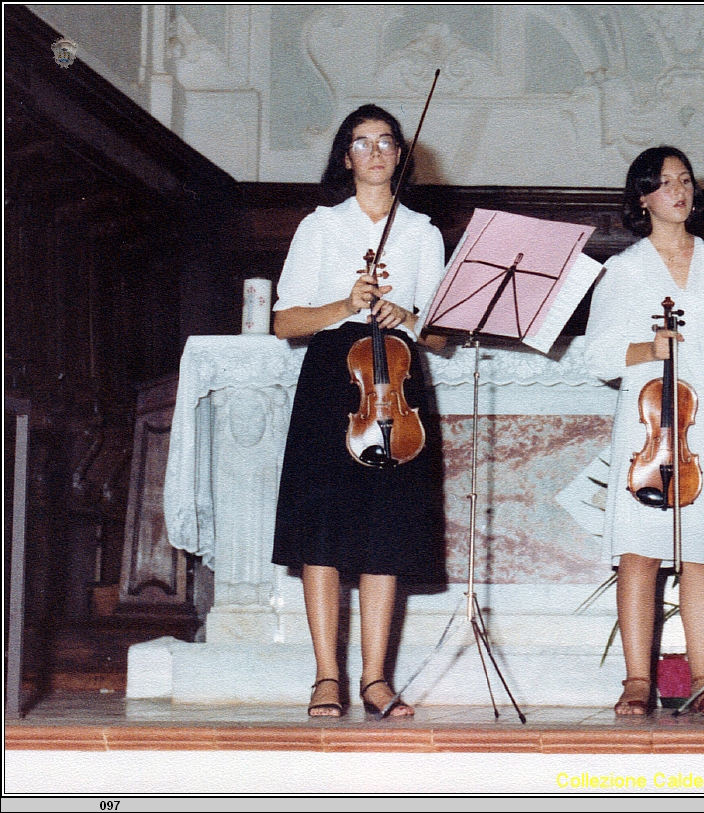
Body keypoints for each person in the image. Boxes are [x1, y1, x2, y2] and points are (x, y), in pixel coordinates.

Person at [271, 104, 447, 719]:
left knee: (386, 528)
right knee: (322, 528)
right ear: (346, 158)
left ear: (401, 155)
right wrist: (344, 303)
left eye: (386, 142)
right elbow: (283, 321)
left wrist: (414, 318)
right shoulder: (321, 227)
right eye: (361, 143)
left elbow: (444, 335)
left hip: (396, 382)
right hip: (332, 379)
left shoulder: (423, 234)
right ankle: (326, 677)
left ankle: (376, 679)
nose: (374, 152)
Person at [583, 146, 704, 716]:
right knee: (640, 550)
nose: (679, 190)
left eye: (685, 180)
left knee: (701, 549)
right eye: (664, 182)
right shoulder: (624, 269)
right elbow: (595, 354)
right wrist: (647, 347)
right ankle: (635, 680)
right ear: (643, 198)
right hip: (648, 420)